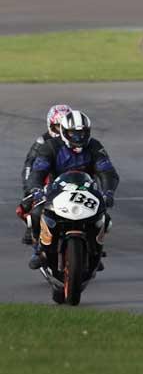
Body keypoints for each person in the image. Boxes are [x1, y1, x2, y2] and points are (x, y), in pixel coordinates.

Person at [25, 110, 119, 270]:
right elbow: (37, 172)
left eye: (82, 133)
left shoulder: (95, 146)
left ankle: (94, 251)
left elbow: (107, 171)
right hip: (56, 191)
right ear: (63, 131)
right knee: (35, 213)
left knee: (105, 219)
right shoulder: (50, 147)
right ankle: (38, 249)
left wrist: (108, 192)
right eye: (73, 133)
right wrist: (36, 189)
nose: (78, 137)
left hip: (87, 190)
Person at [16, 104, 72, 245]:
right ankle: (32, 228)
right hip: (47, 179)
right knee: (28, 200)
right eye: (57, 127)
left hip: (70, 178)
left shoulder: (77, 140)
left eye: (63, 127)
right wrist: (30, 187)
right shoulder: (42, 141)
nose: (60, 131)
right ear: (50, 125)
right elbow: (29, 165)